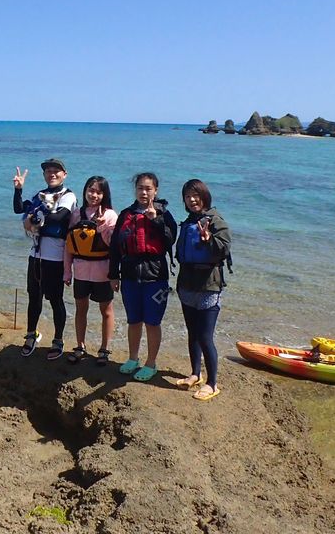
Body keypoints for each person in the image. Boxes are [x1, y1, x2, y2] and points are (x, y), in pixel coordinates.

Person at [108, 172, 177, 382]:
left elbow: (170, 240)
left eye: (148, 188)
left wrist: (155, 220)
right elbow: (115, 247)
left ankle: (151, 363)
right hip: (129, 275)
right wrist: (113, 274)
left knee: (153, 322)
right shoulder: (126, 214)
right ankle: (133, 358)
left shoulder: (164, 214)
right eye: (140, 188)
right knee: (133, 320)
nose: (144, 192)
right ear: (135, 190)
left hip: (156, 276)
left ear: (156, 191)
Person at [13, 158, 77, 358]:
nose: (52, 174)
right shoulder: (39, 196)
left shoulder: (68, 196)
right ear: (44, 175)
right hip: (36, 256)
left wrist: (32, 219)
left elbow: (58, 217)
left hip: (56, 258)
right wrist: (18, 190)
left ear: (64, 174)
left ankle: (58, 340)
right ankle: (31, 334)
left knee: (55, 299)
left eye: (56, 171)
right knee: (34, 296)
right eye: (48, 171)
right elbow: (18, 209)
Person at [174, 179, 231, 401]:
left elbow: (224, 249)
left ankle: (212, 383)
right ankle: (195, 374)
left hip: (209, 286)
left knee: (206, 336)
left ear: (204, 196)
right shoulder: (189, 222)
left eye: (196, 195)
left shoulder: (216, 221)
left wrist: (209, 240)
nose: (192, 199)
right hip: (187, 283)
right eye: (188, 196)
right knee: (193, 333)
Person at [62, 176, 118, 366]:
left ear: (104, 194)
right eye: (90, 190)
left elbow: (115, 246)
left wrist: (102, 227)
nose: (94, 195)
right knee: (81, 309)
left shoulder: (111, 215)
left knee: (106, 310)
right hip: (81, 271)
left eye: (98, 192)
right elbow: (69, 245)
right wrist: (66, 271)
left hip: (102, 271)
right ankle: (80, 345)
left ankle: (104, 348)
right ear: (85, 191)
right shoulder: (77, 214)